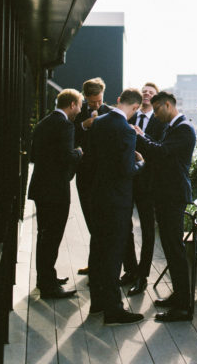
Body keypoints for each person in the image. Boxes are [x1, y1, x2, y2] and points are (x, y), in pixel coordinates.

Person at [134, 91, 196, 322]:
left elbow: (161, 151)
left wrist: (140, 135)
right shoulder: (173, 127)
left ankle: (183, 306)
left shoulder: (183, 129)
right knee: (170, 247)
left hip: (173, 195)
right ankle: (178, 297)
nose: (156, 114)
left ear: (167, 105)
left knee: (176, 249)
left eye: (157, 109)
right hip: (166, 194)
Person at [88, 88, 144, 325]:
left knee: (98, 249)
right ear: (135, 108)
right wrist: (140, 163)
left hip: (97, 195)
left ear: (119, 100)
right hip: (117, 201)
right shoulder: (126, 130)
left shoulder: (98, 122)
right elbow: (126, 170)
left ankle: (97, 302)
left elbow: (91, 158)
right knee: (113, 254)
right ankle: (113, 310)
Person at [28, 89, 83, 299]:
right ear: (71, 105)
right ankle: (49, 285)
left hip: (41, 187)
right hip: (56, 190)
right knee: (52, 236)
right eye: (79, 104)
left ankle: (45, 277)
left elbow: (34, 155)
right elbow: (66, 157)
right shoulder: (65, 125)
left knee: (44, 235)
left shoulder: (43, 123)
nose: (79, 109)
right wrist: (78, 152)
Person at [121, 82, 165, 295]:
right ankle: (130, 269)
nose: (147, 94)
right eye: (144, 91)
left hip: (148, 183)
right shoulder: (129, 116)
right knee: (124, 226)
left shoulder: (159, 121)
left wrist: (142, 136)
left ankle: (143, 275)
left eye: (151, 92)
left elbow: (160, 150)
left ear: (155, 99)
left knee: (147, 230)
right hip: (128, 180)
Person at [74, 77, 111, 275]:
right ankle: (95, 263)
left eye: (99, 100)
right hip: (85, 175)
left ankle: (100, 265)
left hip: (104, 176)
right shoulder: (78, 115)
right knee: (90, 220)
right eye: (92, 101)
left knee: (102, 221)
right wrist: (84, 125)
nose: (96, 105)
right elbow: (70, 137)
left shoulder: (112, 114)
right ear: (85, 98)